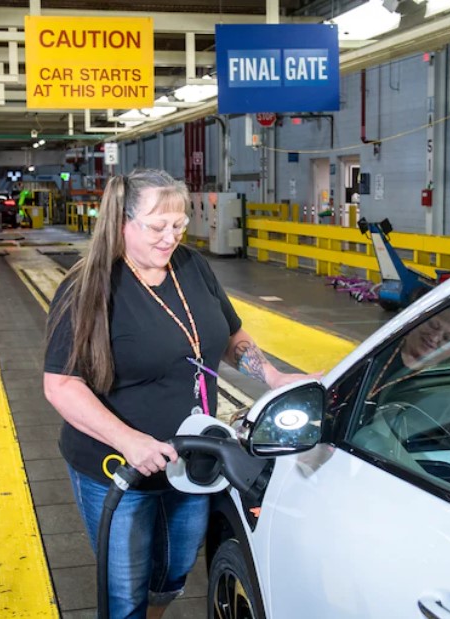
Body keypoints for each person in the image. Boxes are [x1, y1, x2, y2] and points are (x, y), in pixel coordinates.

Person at [43, 168, 313, 619]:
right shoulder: (89, 286)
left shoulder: (192, 266)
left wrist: (272, 376)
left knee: (172, 575)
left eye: (179, 225)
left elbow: (229, 334)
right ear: (122, 222)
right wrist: (129, 441)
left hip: (192, 459)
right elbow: (61, 384)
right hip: (119, 467)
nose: (170, 237)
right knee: (124, 588)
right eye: (157, 227)